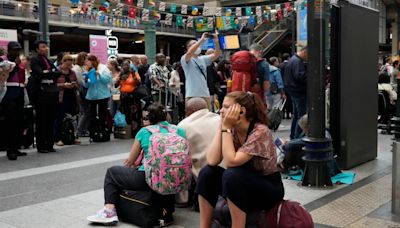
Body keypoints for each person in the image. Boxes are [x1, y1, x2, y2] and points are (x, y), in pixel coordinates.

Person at [196, 91, 284, 228]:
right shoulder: (232, 129)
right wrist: (222, 127)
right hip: (241, 182)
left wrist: (226, 127)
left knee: (232, 175)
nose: (221, 111)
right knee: (207, 173)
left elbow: (231, 161)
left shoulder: (261, 131)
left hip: (268, 187)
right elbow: (212, 160)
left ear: (241, 111)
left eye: (226, 107)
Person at [87, 103, 185, 225]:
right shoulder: (179, 130)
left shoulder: (144, 132)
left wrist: (127, 171)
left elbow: (130, 161)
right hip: (174, 178)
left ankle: (109, 211)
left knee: (112, 173)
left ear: (150, 118)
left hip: (148, 179)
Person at [30, 40, 60, 153]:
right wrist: (50, 72)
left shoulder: (49, 60)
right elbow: (39, 73)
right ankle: (41, 145)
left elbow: (57, 72)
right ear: (37, 49)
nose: (46, 48)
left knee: (51, 119)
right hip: (41, 93)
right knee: (41, 119)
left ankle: (49, 144)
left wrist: (49, 72)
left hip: (51, 91)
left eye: (46, 46)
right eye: (43, 47)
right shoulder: (35, 59)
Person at [0, 41, 27, 160]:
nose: (16, 52)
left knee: (19, 121)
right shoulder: (2, 60)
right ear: (9, 50)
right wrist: (14, 66)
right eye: (14, 50)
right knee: (11, 121)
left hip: (19, 91)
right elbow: (4, 76)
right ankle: (10, 149)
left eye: (18, 50)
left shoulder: (19, 62)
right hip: (8, 92)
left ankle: (16, 147)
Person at [181, 32, 221, 107]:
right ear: (188, 48)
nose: (197, 45)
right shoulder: (185, 58)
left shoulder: (203, 59)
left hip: (205, 94)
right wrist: (201, 40)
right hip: (192, 94)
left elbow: (216, 54)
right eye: (193, 44)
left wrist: (216, 42)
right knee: (192, 117)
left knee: (206, 116)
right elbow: (190, 52)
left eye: (196, 43)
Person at [54, 55, 80, 146]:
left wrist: (74, 85)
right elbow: (54, 85)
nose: (69, 66)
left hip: (71, 97)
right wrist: (63, 85)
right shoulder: (57, 71)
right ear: (63, 62)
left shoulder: (72, 73)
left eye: (70, 64)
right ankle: (58, 138)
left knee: (73, 118)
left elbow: (77, 83)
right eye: (67, 64)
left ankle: (72, 137)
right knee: (59, 118)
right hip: (61, 97)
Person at [83, 54, 112, 135]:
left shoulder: (103, 68)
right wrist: (85, 80)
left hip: (103, 95)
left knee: (102, 114)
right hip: (91, 96)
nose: (86, 63)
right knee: (92, 115)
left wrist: (99, 74)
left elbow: (107, 80)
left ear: (92, 61)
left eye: (87, 61)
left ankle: (102, 130)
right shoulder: (87, 70)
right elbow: (86, 86)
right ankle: (93, 132)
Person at [284, 46, 308, 139]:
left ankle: (293, 136)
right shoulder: (298, 62)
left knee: (296, 115)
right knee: (301, 116)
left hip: (293, 91)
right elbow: (300, 76)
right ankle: (297, 136)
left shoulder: (292, 60)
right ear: (304, 52)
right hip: (299, 91)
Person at [116, 60, 141, 135]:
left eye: (127, 65)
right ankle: (127, 130)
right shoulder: (121, 74)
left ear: (129, 66)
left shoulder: (133, 72)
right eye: (124, 65)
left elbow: (139, 83)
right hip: (124, 96)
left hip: (133, 96)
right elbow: (116, 85)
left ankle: (134, 131)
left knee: (134, 114)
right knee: (125, 112)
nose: (125, 67)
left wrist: (134, 76)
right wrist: (119, 79)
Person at [279, 53, 292, 119]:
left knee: (282, 99)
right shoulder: (289, 65)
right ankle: (288, 114)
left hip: (282, 84)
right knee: (288, 100)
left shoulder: (280, 65)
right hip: (288, 84)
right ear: (288, 57)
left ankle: (283, 113)